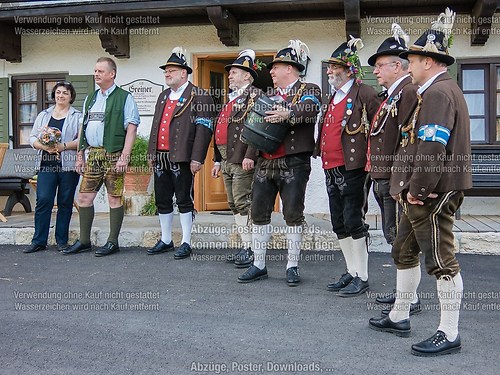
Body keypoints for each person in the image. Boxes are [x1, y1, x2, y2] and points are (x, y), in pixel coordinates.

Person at [368, 8, 472, 356]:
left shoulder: (440, 93)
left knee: (442, 261)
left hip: (432, 192)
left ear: (428, 61)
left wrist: (417, 190)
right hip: (421, 191)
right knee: (403, 251)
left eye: (411, 59)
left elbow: (431, 149)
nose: (407, 65)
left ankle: (449, 332)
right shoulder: (432, 90)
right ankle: (399, 315)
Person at [238, 40, 321, 286]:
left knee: (292, 213)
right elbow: (257, 129)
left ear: (291, 68)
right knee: (258, 212)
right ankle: (259, 264)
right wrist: (249, 156)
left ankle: (292, 265)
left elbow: (310, 108)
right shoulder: (268, 95)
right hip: (265, 162)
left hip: (294, 162)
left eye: (277, 67)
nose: (271, 72)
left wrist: (289, 114)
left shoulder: (310, 89)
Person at [315, 37, 380, 297]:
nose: (329, 71)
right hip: (331, 167)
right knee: (339, 222)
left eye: (334, 67)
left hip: (354, 168)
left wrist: (372, 162)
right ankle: (351, 270)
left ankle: (362, 276)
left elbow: (378, 128)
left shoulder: (364, 92)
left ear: (349, 68)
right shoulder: (335, 95)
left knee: (354, 221)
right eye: (329, 67)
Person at [366, 24, 422, 315]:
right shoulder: (392, 95)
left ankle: (410, 298)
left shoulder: (407, 92)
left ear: (397, 66)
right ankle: (405, 292)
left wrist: (399, 180)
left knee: (401, 238)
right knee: (393, 235)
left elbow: (407, 141)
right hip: (383, 176)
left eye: (379, 66)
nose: (375, 71)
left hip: (395, 179)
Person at [63, 57, 140, 256]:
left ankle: (113, 241)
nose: (96, 74)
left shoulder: (125, 97)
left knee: (114, 198)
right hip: (94, 154)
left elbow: (131, 129)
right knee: (84, 197)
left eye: (100, 71)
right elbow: (83, 127)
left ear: (112, 74)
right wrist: (80, 155)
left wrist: (124, 156)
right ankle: (85, 240)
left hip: (114, 154)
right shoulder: (91, 98)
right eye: (95, 71)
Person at [146, 47, 214, 260]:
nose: (167, 74)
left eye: (171, 70)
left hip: (183, 156)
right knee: (162, 199)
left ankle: (186, 242)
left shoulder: (200, 95)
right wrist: (151, 153)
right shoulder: (163, 95)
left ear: (184, 73)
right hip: (161, 156)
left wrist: (197, 157)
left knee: (184, 199)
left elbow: (204, 129)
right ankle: (166, 239)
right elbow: (155, 125)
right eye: (165, 71)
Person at [210, 49, 261, 268]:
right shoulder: (231, 98)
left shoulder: (255, 96)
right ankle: (245, 245)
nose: (229, 76)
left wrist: (251, 154)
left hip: (242, 158)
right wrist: (216, 160)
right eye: (229, 73)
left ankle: (252, 249)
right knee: (233, 203)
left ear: (247, 75)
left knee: (243, 202)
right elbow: (220, 129)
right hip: (226, 158)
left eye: (234, 72)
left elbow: (259, 127)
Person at [24, 82, 81, 253]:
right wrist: (44, 147)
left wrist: (63, 146)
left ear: (71, 96)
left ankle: (62, 241)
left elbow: (82, 140)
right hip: (46, 165)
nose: (61, 95)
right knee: (43, 201)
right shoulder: (43, 115)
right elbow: (32, 137)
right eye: (58, 92)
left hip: (68, 166)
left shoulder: (77, 116)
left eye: (65, 93)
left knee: (65, 202)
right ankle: (39, 241)